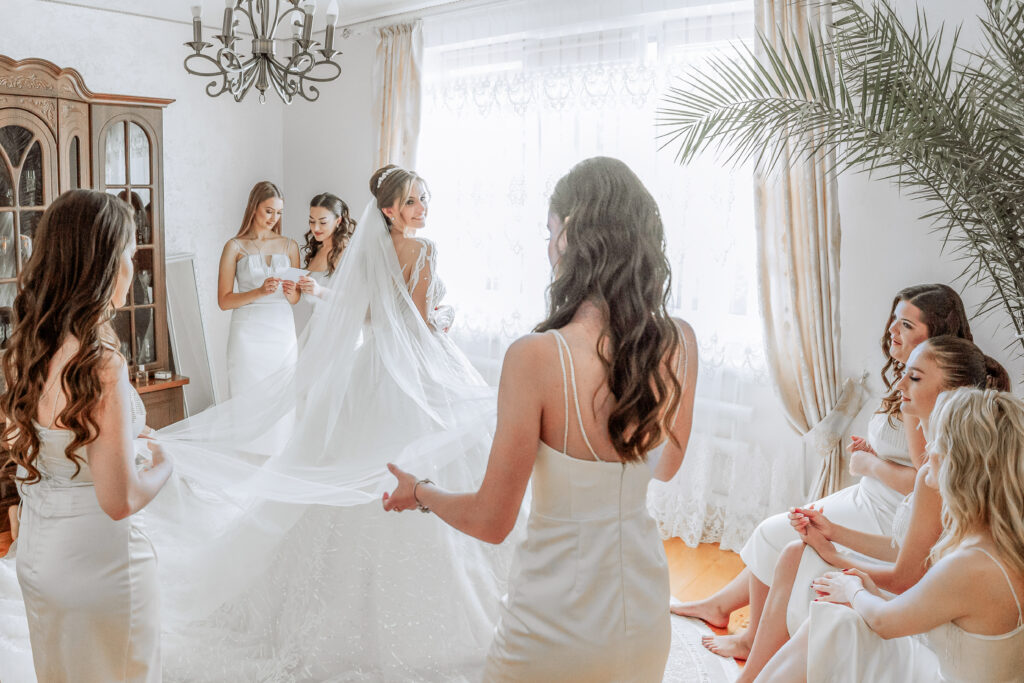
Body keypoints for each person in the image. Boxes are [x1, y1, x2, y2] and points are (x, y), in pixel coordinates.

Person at [384, 157, 699, 682]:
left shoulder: (536, 356)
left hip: (555, 620)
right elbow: (663, 468)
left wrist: (421, 492)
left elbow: (491, 519)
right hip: (643, 615)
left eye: (550, 232)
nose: (547, 246)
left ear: (570, 236)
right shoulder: (678, 340)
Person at [676, 284, 972, 659]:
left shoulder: (925, 396)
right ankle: (725, 608)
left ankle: (751, 636)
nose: (892, 331)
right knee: (785, 529)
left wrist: (871, 464)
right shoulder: (908, 381)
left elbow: (925, 481)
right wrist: (874, 451)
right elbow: (913, 461)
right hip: (871, 494)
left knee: (775, 533)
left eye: (906, 325)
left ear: (935, 335)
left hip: (889, 509)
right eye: (894, 320)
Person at [733, 335, 1011, 680]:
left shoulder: (946, 480)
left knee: (831, 610)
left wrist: (842, 567)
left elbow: (907, 578)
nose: (899, 385)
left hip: (926, 622)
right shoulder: (941, 474)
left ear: (951, 391)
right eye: (904, 373)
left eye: (915, 377)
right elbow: (916, 550)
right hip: (928, 606)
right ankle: (751, 671)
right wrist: (833, 534)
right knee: (795, 556)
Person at [0, 189, 173, 682]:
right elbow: (119, 501)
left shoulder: (26, 347)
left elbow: (51, 444)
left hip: (41, 561)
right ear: (100, 264)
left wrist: (125, 439)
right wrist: (164, 465)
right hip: (103, 568)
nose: (134, 264)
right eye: (127, 253)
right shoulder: (100, 363)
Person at [217, 181, 300, 397]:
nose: (274, 218)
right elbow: (224, 301)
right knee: (246, 396)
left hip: (282, 332)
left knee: (282, 395)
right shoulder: (234, 246)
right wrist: (259, 292)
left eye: (279, 213)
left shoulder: (290, 246)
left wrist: (292, 292)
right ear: (254, 207)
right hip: (247, 334)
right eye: (269, 211)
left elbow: (295, 298)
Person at [293, 192, 356, 333]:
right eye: (311, 221)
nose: (315, 228)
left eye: (322, 222)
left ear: (338, 221)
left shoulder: (348, 251)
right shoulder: (318, 248)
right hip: (315, 327)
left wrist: (320, 291)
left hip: (340, 330)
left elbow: (355, 300)